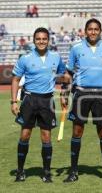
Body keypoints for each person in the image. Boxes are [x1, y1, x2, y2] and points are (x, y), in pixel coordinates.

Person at [11, 27, 66, 183]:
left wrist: (63, 94)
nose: (41, 41)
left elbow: (64, 76)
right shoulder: (25, 58)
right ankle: (20, 171)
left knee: (46, 137)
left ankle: (46, 172)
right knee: (25, 135)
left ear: (48, 40)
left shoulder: (56, 57)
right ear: (34, 40)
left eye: (44, 39)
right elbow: (15, 80)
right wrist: (14, 101)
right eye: (38, 39)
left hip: (47, 101)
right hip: (29, 100)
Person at [62, 18, 102, 182]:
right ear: (85, 31)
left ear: (100, 31)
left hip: (100, 94)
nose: (93, 32)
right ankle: (73, 171)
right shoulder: (76, 48)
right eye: (90, 29)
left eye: (96, 29)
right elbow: (68, 73)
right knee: (77, 131)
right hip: (81, 94)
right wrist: (64, 93)